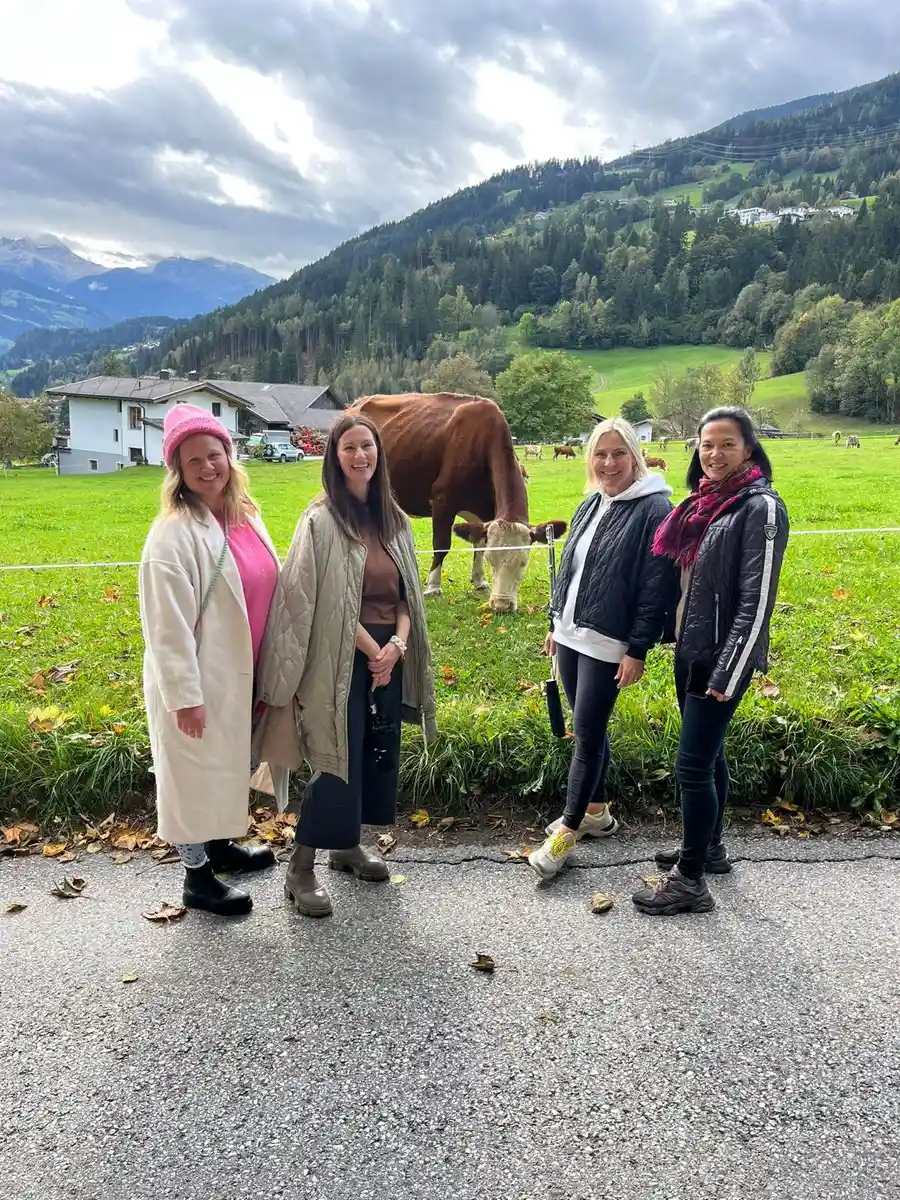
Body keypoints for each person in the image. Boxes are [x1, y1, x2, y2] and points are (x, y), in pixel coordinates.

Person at [256, 413, 436, 918]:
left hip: (388, 656)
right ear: (335, 458)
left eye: (367, 446)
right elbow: (311, 600)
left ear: (379, 453)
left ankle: (346, 847)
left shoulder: (394, 519)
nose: (361, 456)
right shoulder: (320, 521)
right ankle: (300, 867)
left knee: (373, 752)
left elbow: (406, 597)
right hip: (338, 658)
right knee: (336, 758)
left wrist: (396, 646)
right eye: (349, 448)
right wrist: (372, 650)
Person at [632, 406, 789, 916]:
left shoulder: (760, 507)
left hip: (720, 657)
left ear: (749, 448)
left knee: (692, 767)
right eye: (706, 445)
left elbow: (757, 601)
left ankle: (690, 881)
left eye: (727, 444)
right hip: (691, 648)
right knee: (710, 755)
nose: (715, 454)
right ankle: (710, 847)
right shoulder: (706, 504)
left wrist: (730, 669)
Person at [139, 404, 280, 918]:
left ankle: (220, 847)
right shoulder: (172, 534)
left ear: (229, 455)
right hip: (199, 679)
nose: (207, 467)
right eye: (193, 459)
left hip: (243, 671)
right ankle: (196, 878)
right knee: (191, 776)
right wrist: (185, 698)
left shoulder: (246, 515)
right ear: (178, 470)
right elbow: (166, 627)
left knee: (228, 764)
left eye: (214, 454)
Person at [529, 419, 678, 880]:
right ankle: (596, 812)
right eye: (600, 454)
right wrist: (556, 622)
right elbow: (569, 570)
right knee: (585, 728)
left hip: (609, 640)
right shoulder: (591, 503)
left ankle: (566, 833)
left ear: (635, 456)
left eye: (618, 453)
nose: (608, 463)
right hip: (571, 634)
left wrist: (638, 649)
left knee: (588, 734)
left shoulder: (656, 508)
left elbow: (656, 587)